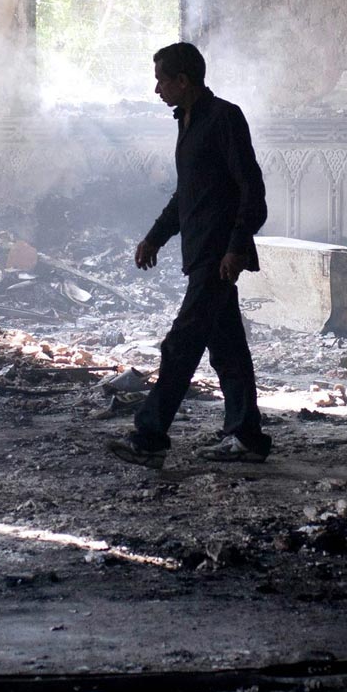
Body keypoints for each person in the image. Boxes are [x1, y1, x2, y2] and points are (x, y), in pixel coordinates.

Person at [108, 42, 272, 468]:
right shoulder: (189, 122)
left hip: (217, 257)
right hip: (200, 253)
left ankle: (150, 437)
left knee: (180, 345)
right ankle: (246, 437)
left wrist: (236, 247)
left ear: (184, 80)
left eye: (162, 78)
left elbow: (251, 190)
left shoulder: (224, 118)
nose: (157, 87)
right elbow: (188, 195)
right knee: (228, 350)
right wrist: (155, 237)